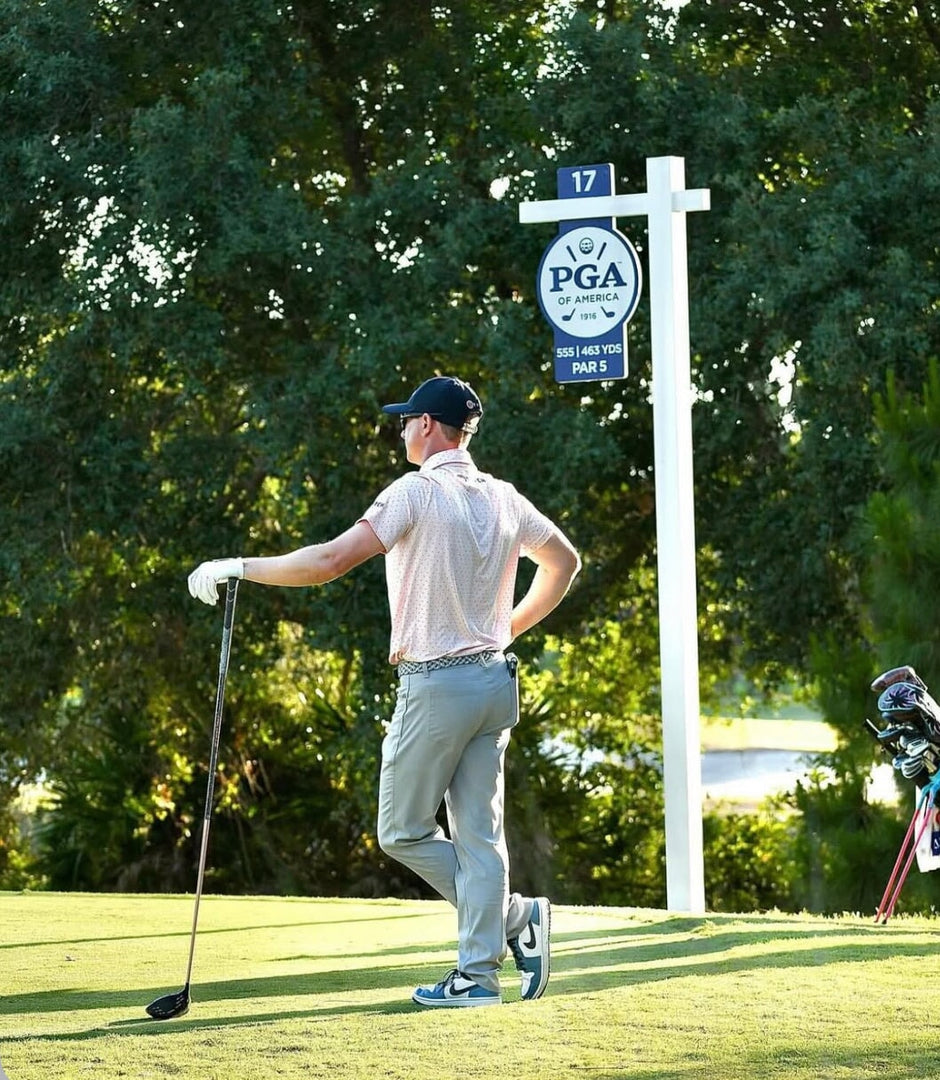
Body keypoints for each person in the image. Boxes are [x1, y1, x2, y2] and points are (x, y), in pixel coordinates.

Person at [188, 375, 581, 1007]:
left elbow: (329, 562)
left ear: (426, 425)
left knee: (402, 830)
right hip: (494, 682)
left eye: (405, 421)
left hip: (437, 687)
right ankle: (479, 978)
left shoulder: (413, 492)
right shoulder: (504, 496)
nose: (400, 431)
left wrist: (238, 567)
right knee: (480, 839)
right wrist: (507, 628)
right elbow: (564, 561)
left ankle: (511, 919)